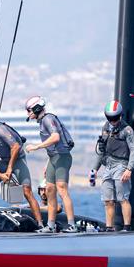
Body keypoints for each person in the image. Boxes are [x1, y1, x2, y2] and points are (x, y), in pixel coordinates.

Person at [24, 96, 77, 233]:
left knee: (62, 189)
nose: (28, 113)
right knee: (49, 190)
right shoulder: (42, 121)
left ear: (36, 109)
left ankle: (72, 225)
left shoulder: (47, 119)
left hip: (62, 157)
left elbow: (55, 137)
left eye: (29, 110)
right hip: (53, 158)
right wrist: (48, 162)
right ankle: (51, 225)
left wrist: (36, 147)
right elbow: (53, 145)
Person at [90, 100, 134, 231]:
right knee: (108, 199)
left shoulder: (127, 130)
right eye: (110, 118)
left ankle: (126, 227)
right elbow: (101, 150)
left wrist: (129, 169)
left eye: (115, 118)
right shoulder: (105, 128)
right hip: (108, 165)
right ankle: (109, 227)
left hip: (121, 165)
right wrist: (94, 168)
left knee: (122, 198)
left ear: (120, 116)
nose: (112, 121)